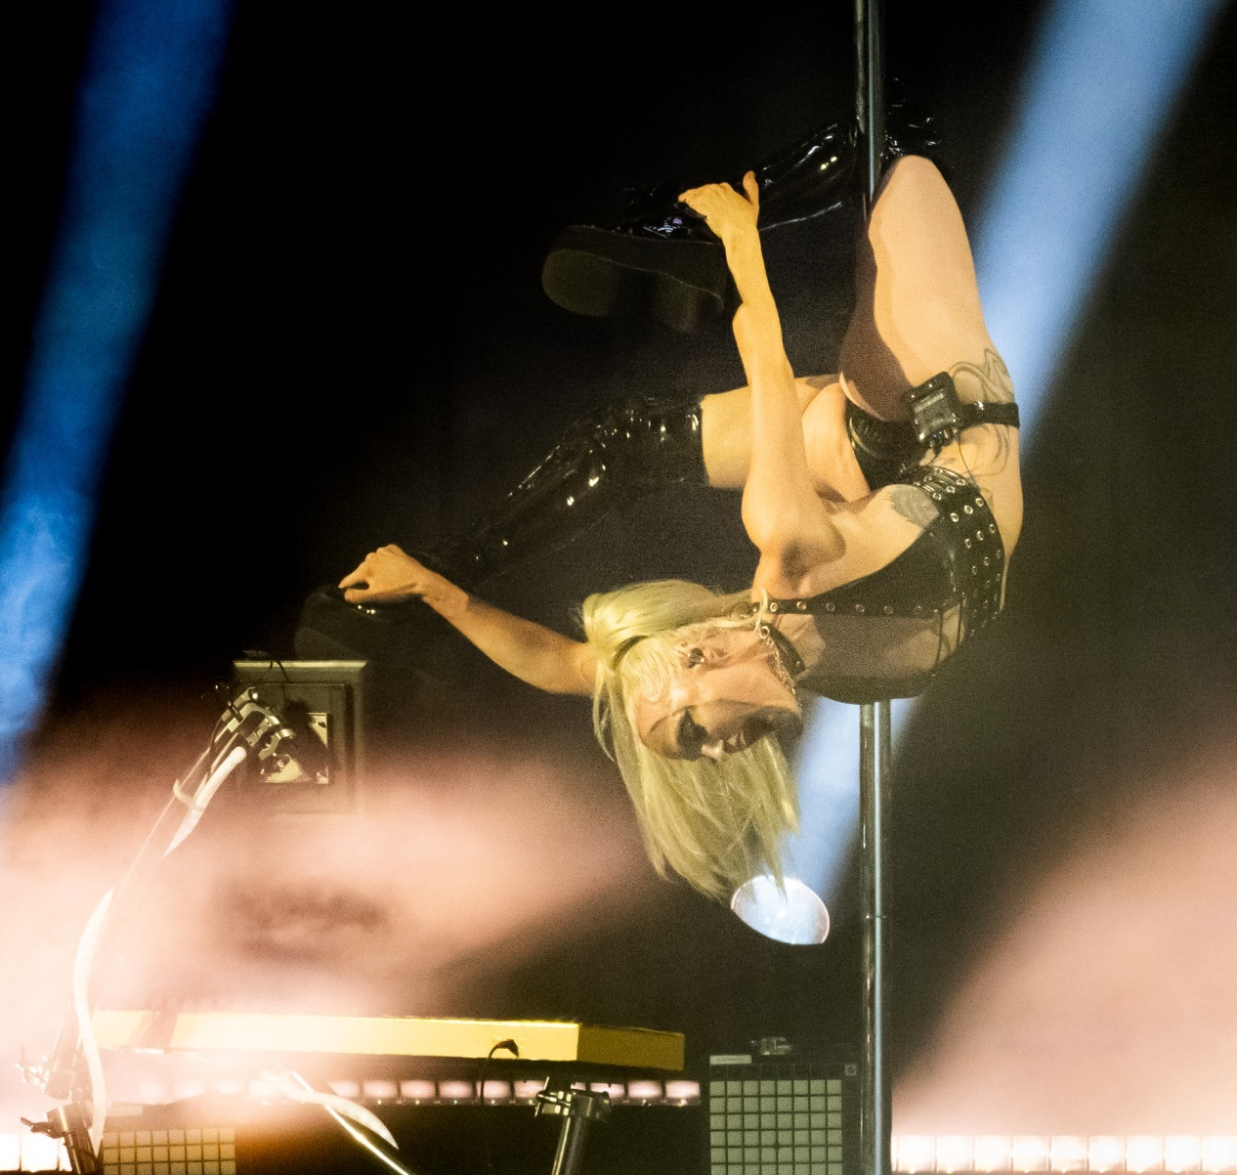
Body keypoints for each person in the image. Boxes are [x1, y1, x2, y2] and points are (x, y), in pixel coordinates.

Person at [301, 141, 1021, 899]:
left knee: (896, 153)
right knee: (895, 162)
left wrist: (741, 238)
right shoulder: (789, 602)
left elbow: (766, 358)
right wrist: (441, 595)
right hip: (897, 454)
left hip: (925, 404)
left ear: (700, 657)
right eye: (694, 746)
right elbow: (567, 668)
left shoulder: (789, 547)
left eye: (691, 736)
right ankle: (697, 233)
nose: (717, 756)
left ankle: (701, 234)